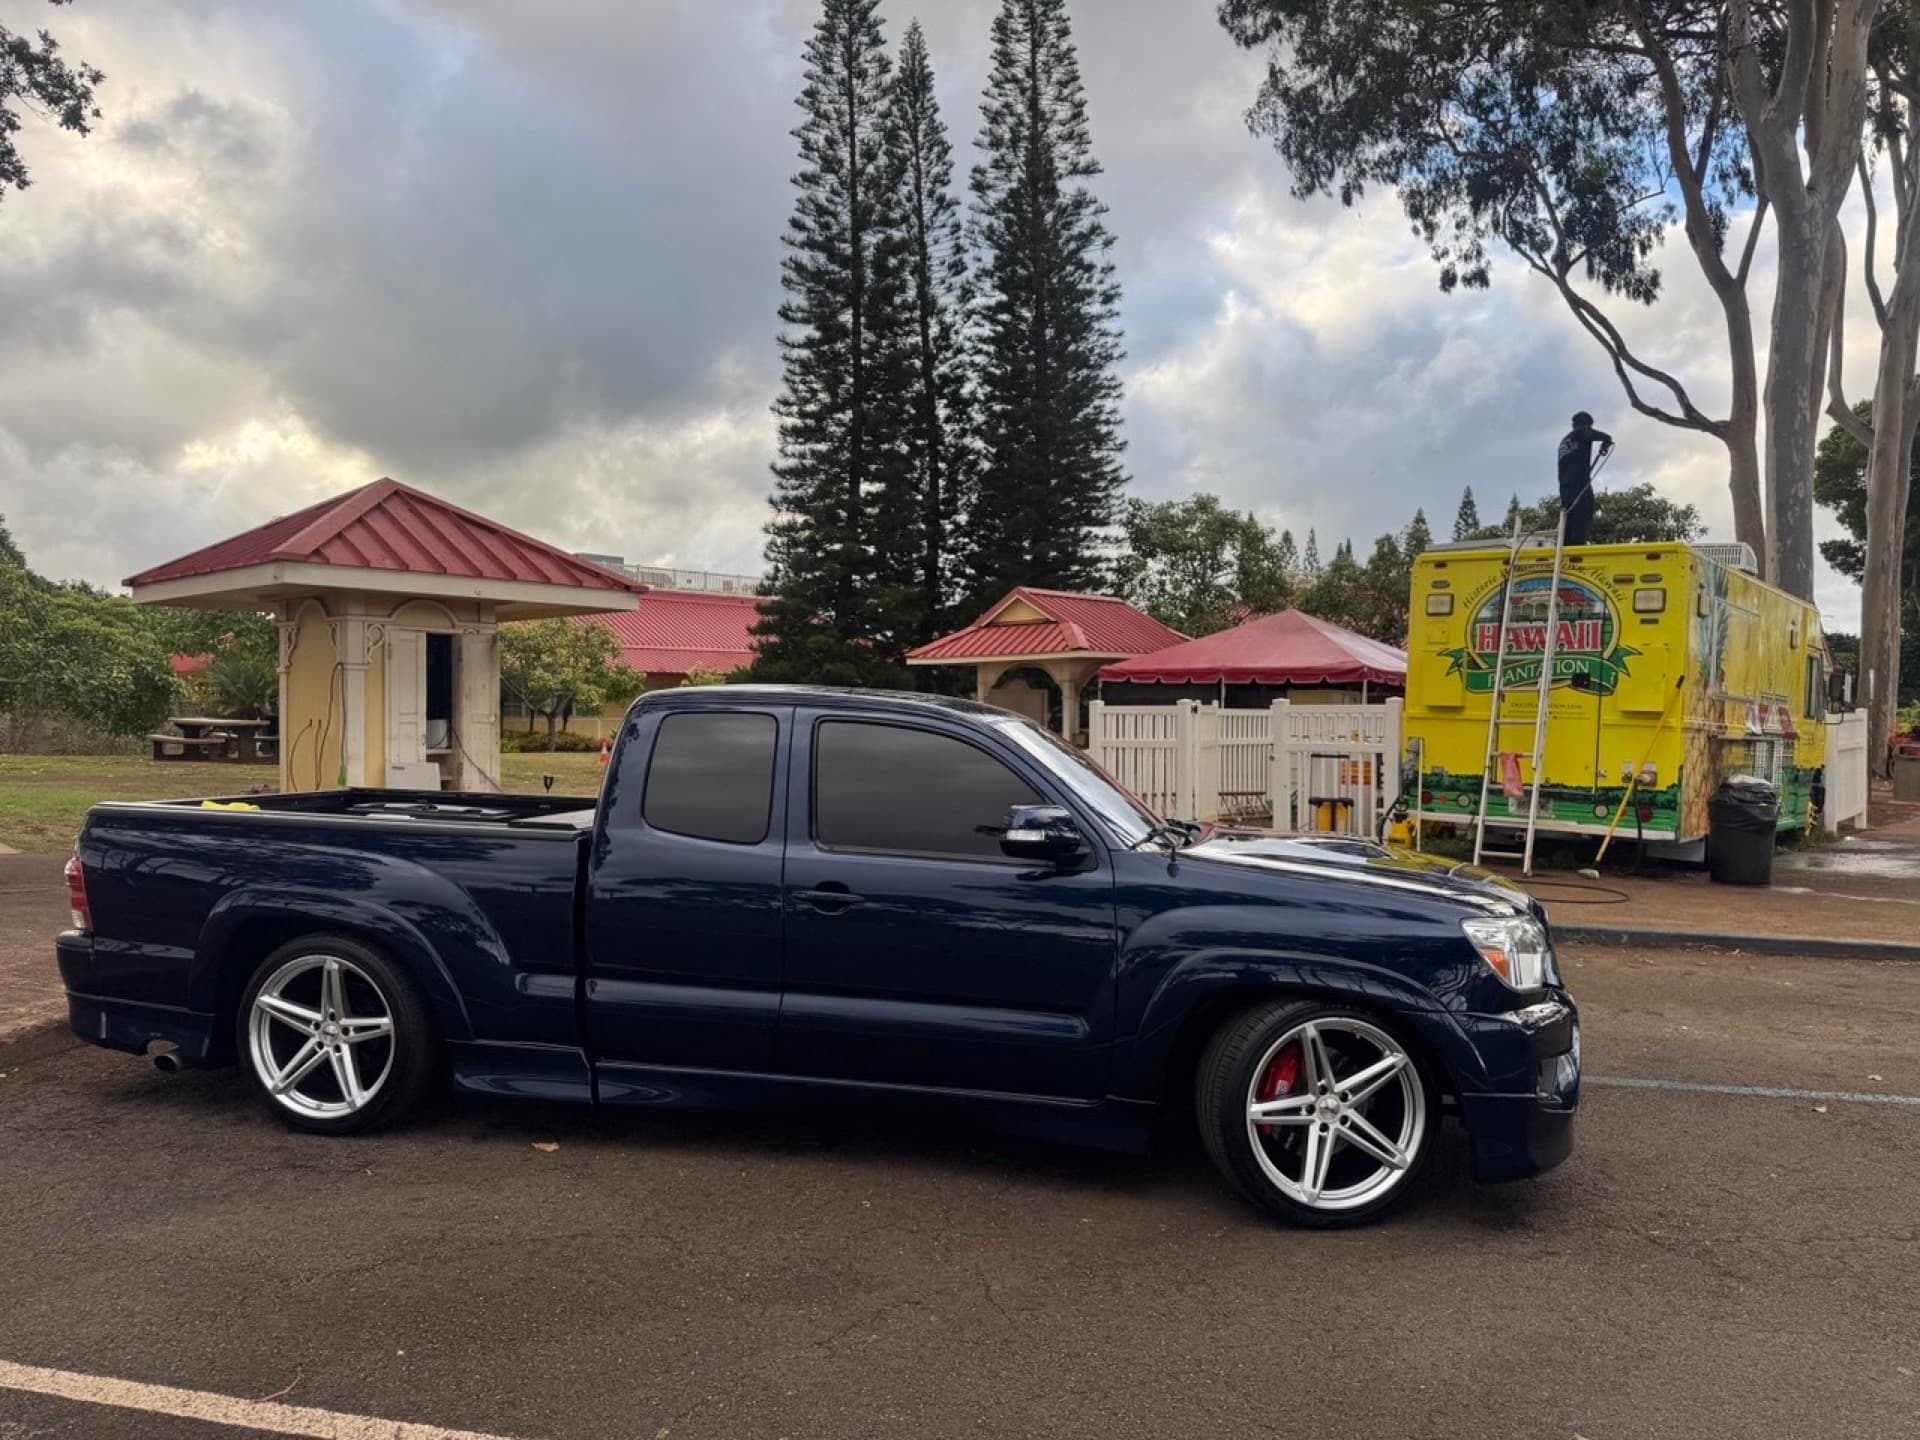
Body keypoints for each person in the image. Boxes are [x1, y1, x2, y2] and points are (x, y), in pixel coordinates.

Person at [1556, 411, 1613, 545]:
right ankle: (1577, 546)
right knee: (1583, 515)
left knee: (1568, 518)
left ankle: (1566, 545)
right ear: (1586, 425)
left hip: (1565, 488)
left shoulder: (1564, 441)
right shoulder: (1583, 433)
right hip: (1580, 485)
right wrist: (1607, 442)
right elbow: (1604, 436)